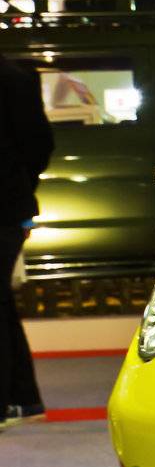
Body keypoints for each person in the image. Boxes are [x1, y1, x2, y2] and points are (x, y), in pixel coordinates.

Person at [0, 54, 54, 430]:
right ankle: (22, 398)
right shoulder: (16, 75)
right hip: (10, 203)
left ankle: (11, 400)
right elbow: (39, 144)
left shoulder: (12, 76)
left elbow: (37, 145)